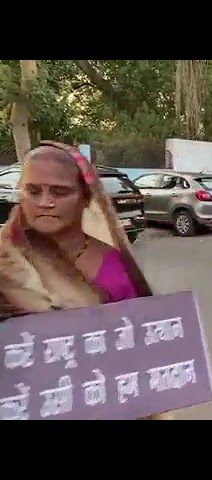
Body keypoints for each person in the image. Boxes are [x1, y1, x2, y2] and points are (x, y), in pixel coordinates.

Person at [0, 141, 169, 420]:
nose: (44, 202)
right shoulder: (6, 258)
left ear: (85, 197)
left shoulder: (114, 268)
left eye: (60, 191)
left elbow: (138, 352)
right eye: (33, 191)